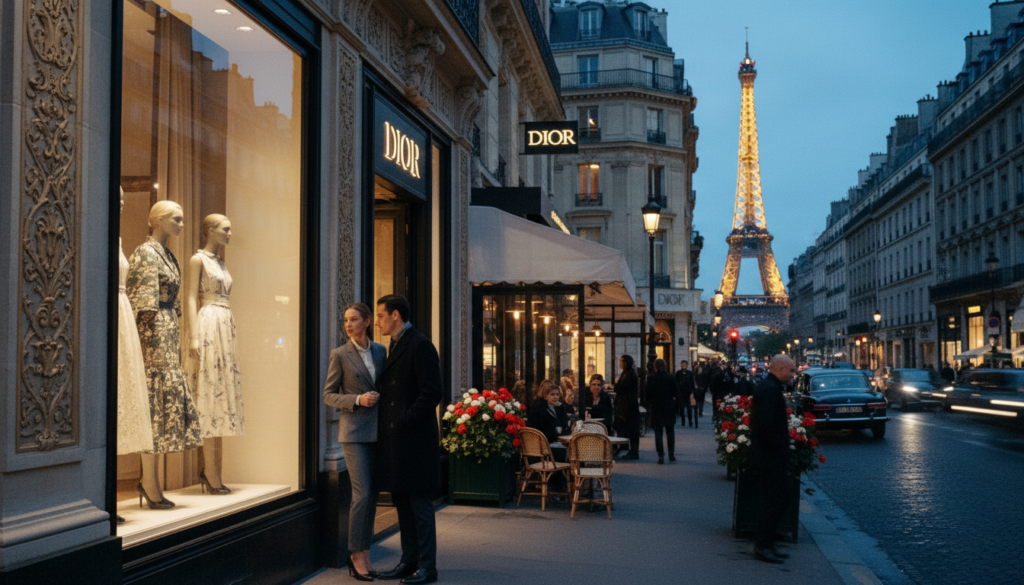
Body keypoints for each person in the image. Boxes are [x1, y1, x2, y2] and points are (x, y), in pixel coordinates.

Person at [373, 295, 442, 584]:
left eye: (380, 316)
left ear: (396, 315)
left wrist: (403, 420)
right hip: (398, 442)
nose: (377, 322)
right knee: (403, 503)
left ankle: (427, 567)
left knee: (420, 507)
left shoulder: (420, 344)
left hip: (414, 442)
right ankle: (408, 560)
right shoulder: (397, 344)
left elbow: (432, 393)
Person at [323, 303, 387, 581]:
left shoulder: (380, 351)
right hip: (353, 434)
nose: (348, 325)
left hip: (379, 432)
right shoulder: (340, 354)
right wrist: (357, 400)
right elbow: (328, 395)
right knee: (361, 494)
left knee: (373, 494)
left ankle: (366, 551)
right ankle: (356, 554)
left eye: (354, 319)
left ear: (367, 322)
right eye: (345, 320)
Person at [749, 354, 797, 564]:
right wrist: (780, 445)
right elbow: (766, 425)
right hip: (770, 455)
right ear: (779, 368)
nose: (793, 375)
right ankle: (763, 545)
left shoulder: (769, 386)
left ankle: (767, 544)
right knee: (776, 500)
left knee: (775, 500)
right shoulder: (770, 389)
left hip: (768, 453)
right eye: (791, 370)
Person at [646, 359, 679, 464]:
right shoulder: (671, 378)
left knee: (658, 431)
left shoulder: (651, 378)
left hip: (657, 408)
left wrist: (651, 404)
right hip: (669, 407)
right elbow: (677, 393)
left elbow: (648, 395)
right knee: (670, 430)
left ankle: (660, 455)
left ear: (655, 366)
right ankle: (671, 454)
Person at [613, 355, 641, 460]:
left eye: (621, 362)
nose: (620, 364)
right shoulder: (627, 373)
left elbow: (619, 387)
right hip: (627, 405)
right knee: (629, 428)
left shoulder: (629, 374)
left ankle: (633, 451)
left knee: (631, 429)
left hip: (628, 406)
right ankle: (629, 449)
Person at [528, 380, 571, 448]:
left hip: (556, 442)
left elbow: (565, 424)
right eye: (552, 394)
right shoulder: (539, 409)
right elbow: (540, 429)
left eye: (557, 394)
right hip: (543, 445)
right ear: (545, 396)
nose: (555, 397)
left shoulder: (559, 408)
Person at [675, 360, 697, 428]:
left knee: (689, 408)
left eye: (685, 364)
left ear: (687, 365)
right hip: (681, 393)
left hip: (688, 393)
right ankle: (683, 421)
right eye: (682, 364)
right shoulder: (678, 373)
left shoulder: (690, 373)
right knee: (681, 408)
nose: (683, 365)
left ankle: (690, 420)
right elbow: (676, 383)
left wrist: (693, 392)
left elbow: (692, 383)